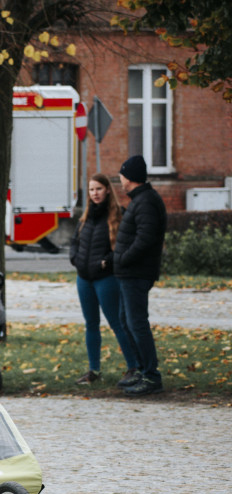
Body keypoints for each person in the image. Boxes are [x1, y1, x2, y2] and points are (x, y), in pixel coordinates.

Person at [69, 174, 138, 385]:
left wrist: (105, 262)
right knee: (91, 324)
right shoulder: (85, 217)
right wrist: (76, 259)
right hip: (84, 279)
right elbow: (74, 243)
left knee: (117, 323)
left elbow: (123, 246)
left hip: (106, 279)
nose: (95, 193)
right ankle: (94, 371)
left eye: (98, 189)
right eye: (91, 190)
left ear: (108, 190)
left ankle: (134, 367)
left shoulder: (119, 215)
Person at [114, 154, 167, 396]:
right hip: (130, 273)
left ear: (130, 177)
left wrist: (123, 259)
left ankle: (151, 376)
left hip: (136, 273)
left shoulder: (145, 201)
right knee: (127, 321)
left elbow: (145, 239)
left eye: (122, 175)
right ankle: (140, 370)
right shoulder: (140, 199)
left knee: (137, 323)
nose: (120, 179)